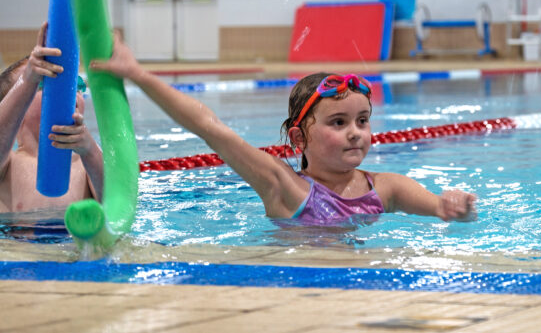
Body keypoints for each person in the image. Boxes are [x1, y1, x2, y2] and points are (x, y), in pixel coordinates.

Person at [91, 33, 476, 226]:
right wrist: (138, 75)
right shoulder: (284, 186)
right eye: (338, 123)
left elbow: (441, 208)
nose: (355, 132)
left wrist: (456, 206)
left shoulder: (386, 187)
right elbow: (210, 128)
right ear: (298, 138)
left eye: (362, 120)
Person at [0, 23, 103, 214]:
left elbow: (117, 203)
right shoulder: (8, 167)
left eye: (75, 84)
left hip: (75, 243)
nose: (66, 91)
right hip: (15, 244)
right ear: (15, 110)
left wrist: (89, 151)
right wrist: (29, 79)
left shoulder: (87, 164)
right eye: (44, 83)